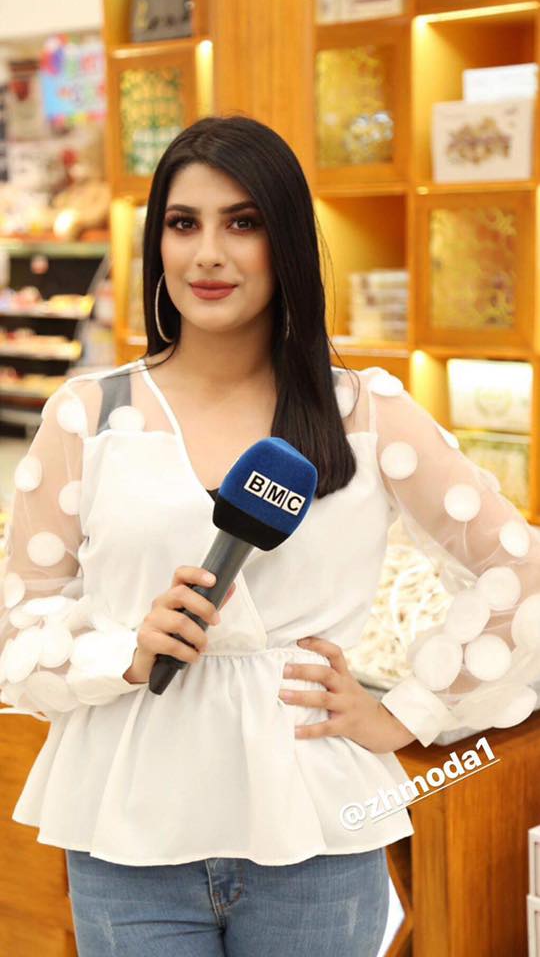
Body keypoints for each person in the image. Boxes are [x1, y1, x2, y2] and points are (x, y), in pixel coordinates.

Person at [1, 115, 539, 957]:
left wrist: (407, 713)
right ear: (157, 243)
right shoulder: (88, 415)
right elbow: (17, 624)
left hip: (318, 830)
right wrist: (125, 653)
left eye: (242, 222)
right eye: (184, 223)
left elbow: (519, 575)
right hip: (127, 833)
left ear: (284, 239)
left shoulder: (366, 412)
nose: (208, 254)